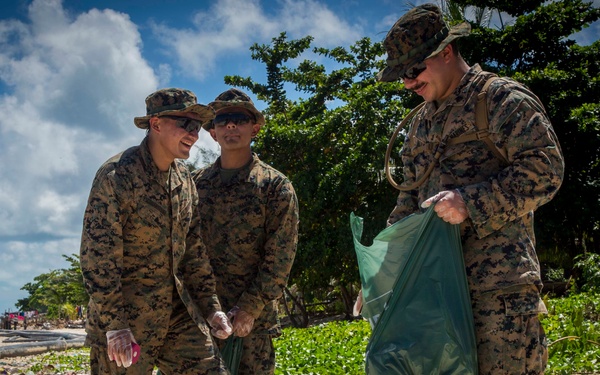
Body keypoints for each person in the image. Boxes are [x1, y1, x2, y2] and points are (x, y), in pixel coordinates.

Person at [377, 4, 564, 374]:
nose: (408, 83)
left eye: (414, 70)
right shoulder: (420, 125)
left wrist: (469, 202)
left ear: (446, 52)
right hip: (437, 299)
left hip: (500, 295)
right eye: (400, 75)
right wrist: (382, 279)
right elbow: (407, 204)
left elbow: (547, 169)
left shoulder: (500, 100)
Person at [80, 88, 233, 375]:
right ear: (156, 124)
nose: (194, 134)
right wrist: (115, 325)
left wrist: (212, 308)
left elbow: (194, 251)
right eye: (185, 124)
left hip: (178, 313)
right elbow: (98, 259)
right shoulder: (117, 176)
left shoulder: (184, 179)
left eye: (197, 126)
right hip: (127, 322)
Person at [193, 88, 299, 374]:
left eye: (239, 119)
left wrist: (250, 307)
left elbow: (280, 256)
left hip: (251, 324)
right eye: (222, 120)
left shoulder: (275, 186)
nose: (230, 125)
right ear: (213, 133)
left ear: (255, 128)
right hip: (200, 319)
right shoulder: (194, 185)